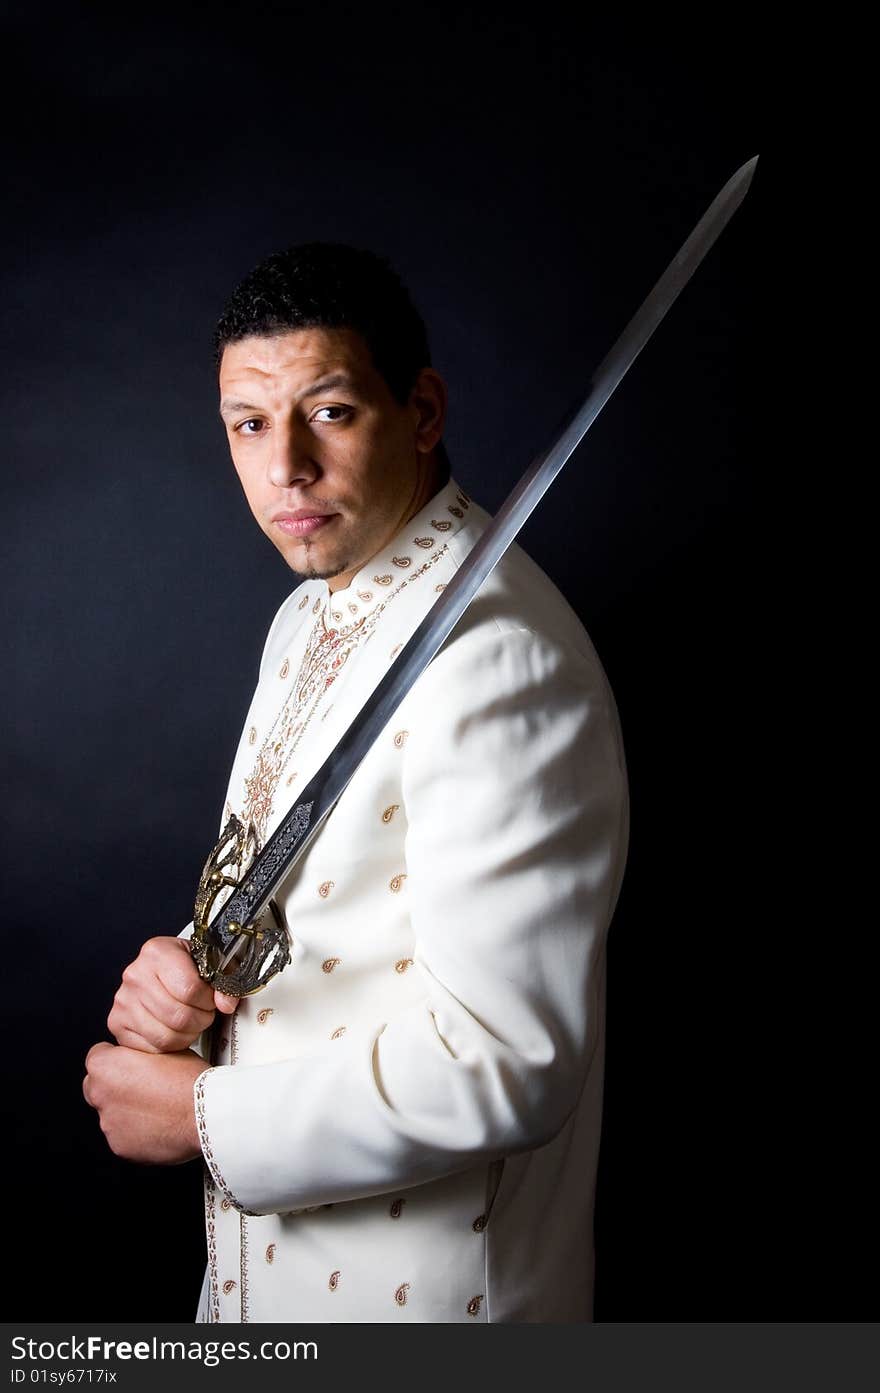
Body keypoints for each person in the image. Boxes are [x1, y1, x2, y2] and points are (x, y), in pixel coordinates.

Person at [82, 242, 630, 1323]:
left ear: (420, 411)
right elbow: (304, 907)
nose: (285, 467)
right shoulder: (305, 615)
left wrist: (203, 1118)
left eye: (328, 411)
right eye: (248, 422)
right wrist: (188, 977)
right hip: (259, 1279)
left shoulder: (498, 658)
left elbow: (510, 1057)